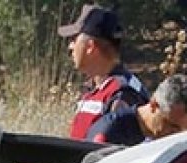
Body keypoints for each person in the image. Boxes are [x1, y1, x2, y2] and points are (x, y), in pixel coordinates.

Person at [59, 4, 148, 140]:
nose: (70, 46)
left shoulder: (123, 94)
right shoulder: (95, 87)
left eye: (74, 39)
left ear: (90, 46)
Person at [86, 74, 187, 145]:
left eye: (186, 129)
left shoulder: (166, 140)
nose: (177, 135)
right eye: (172, 126)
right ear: (154, 104)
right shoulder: (110, 134)